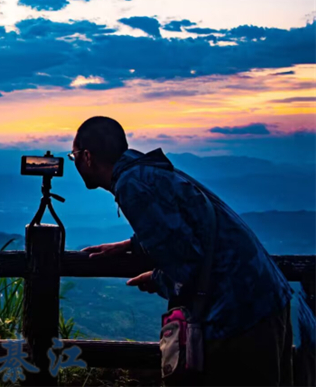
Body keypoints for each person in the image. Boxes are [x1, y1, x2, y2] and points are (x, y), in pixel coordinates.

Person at [70, 116, 294, 386]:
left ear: (88, 156)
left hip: (239, 315)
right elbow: (184, 227)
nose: (76, 163)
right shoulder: (148, 171)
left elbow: (186, 267)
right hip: (264, 300)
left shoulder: (132, 185)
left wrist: (155, 279)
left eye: (74, 156)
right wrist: (132, 245)